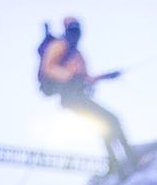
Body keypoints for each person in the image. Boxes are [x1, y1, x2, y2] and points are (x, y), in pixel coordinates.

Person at [37, 16, 131, 173]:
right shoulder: (59, 46)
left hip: (78, 97)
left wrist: (108, 76)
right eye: (73, 30)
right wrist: (69, 76)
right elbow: (49, 68)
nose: (76, 34)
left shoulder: (77, 54)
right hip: (70, 98)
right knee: (111, 120)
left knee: (106, 123)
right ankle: (129, 160)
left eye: (77, 31)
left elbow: (86, 78)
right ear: (67, 31)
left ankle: (116, 165)